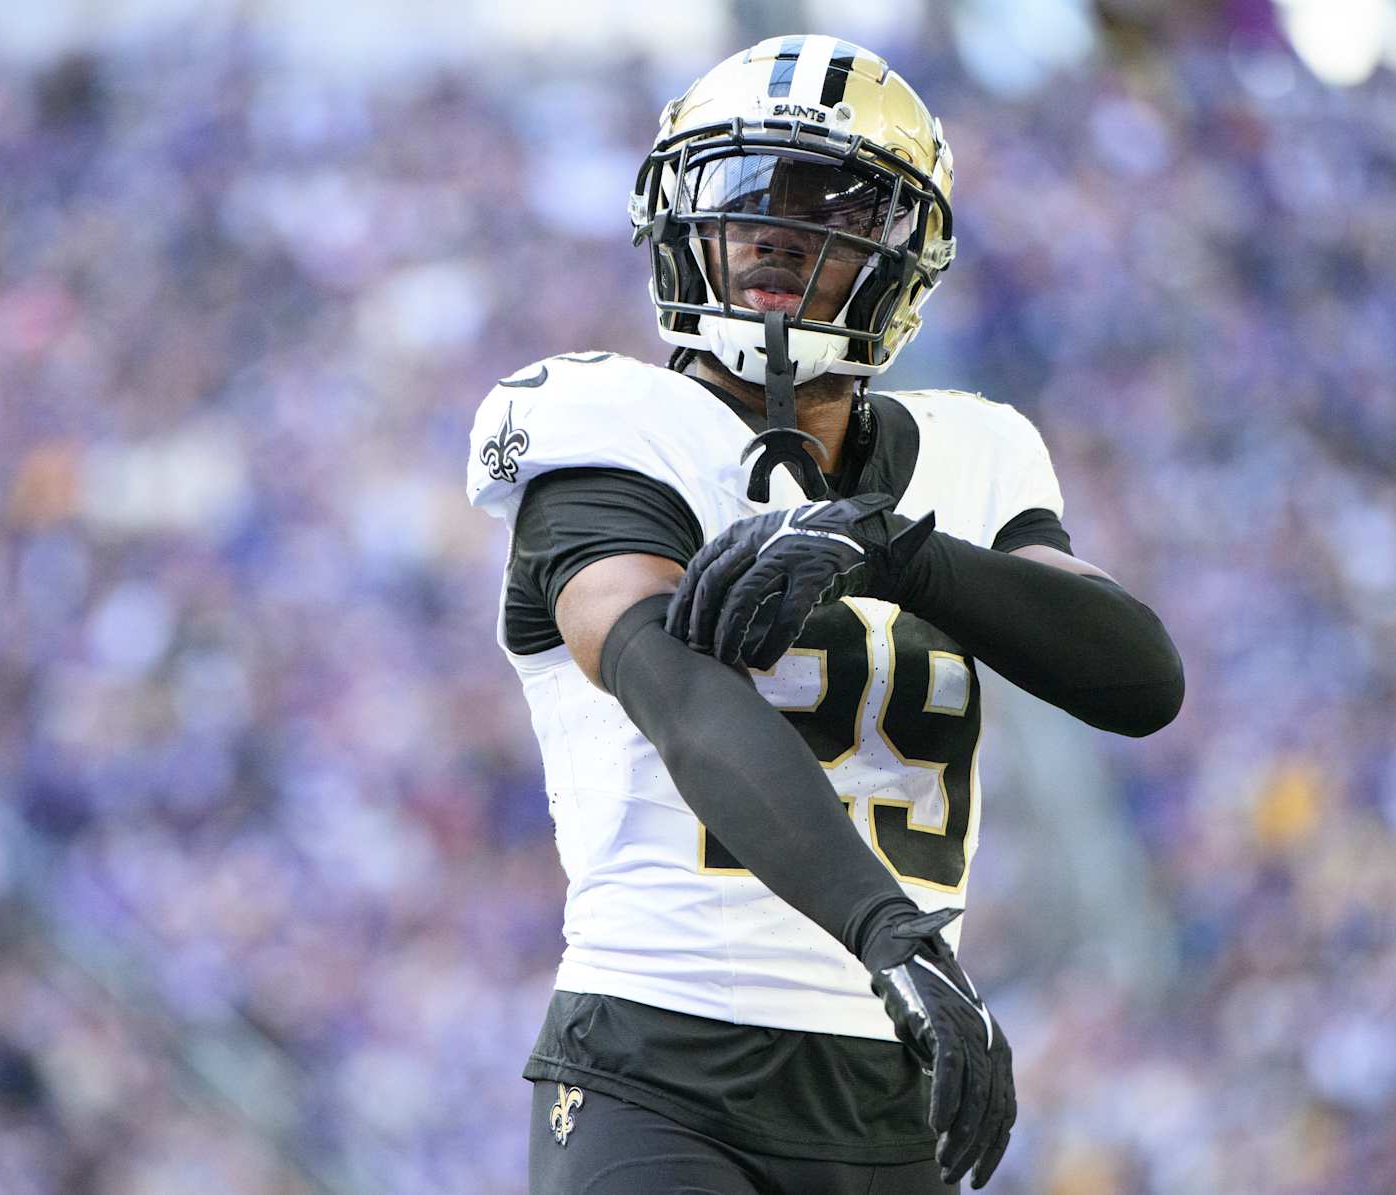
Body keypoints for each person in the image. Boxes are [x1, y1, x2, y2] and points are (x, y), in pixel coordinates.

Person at [466, 35, 1184, 1194]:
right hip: (663, 1059)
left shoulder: (979, 450)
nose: (772, 226)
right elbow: (678, 696)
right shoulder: (604, 425)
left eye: (824, 199)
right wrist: (893, 937)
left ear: (903, 258)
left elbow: (1140, 679)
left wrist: (893, 549)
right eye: (742, 188)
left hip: (889, 1089)